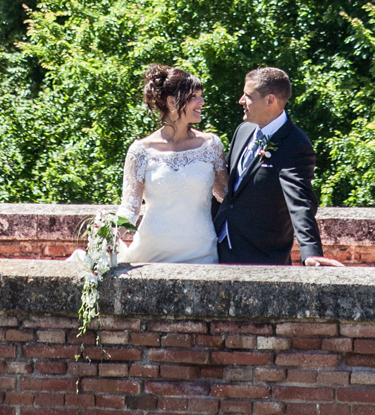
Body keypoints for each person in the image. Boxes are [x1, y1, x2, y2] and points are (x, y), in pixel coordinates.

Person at [214, 66, 340, 267]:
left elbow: (300, 201)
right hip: (218, 249)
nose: (241, 101)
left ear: (270, 100)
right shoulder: (243, 130)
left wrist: (311, 253)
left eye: (248, 96)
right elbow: (229, 186)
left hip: (260, 257)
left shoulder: (295, 144)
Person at [118, 63, 228, 266]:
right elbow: (129, 209)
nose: (202, 102)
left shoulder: (211, 146)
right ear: (171, 102)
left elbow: (227, 197)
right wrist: (105, 237)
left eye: (201, 96)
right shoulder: (140, 151)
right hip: (150, 255)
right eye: (194, 96)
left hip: (202, 254)